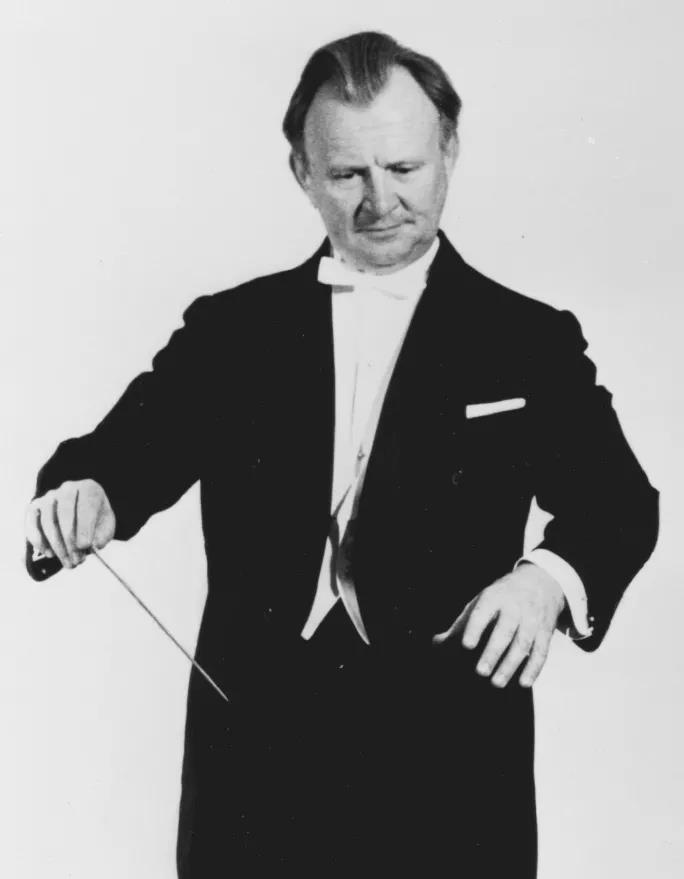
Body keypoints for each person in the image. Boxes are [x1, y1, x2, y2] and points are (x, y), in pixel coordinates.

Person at [25, 31, 658, 878]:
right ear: (301, 171)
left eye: (404, 168)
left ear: (449, 151)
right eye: (348, 174)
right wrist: (89, 492)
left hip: (451, 772)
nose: (380, 200)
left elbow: (620, 504)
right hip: (250, 768)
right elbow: (119, 456)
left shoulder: (528, 340)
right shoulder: (231, 330)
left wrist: (546, 581)